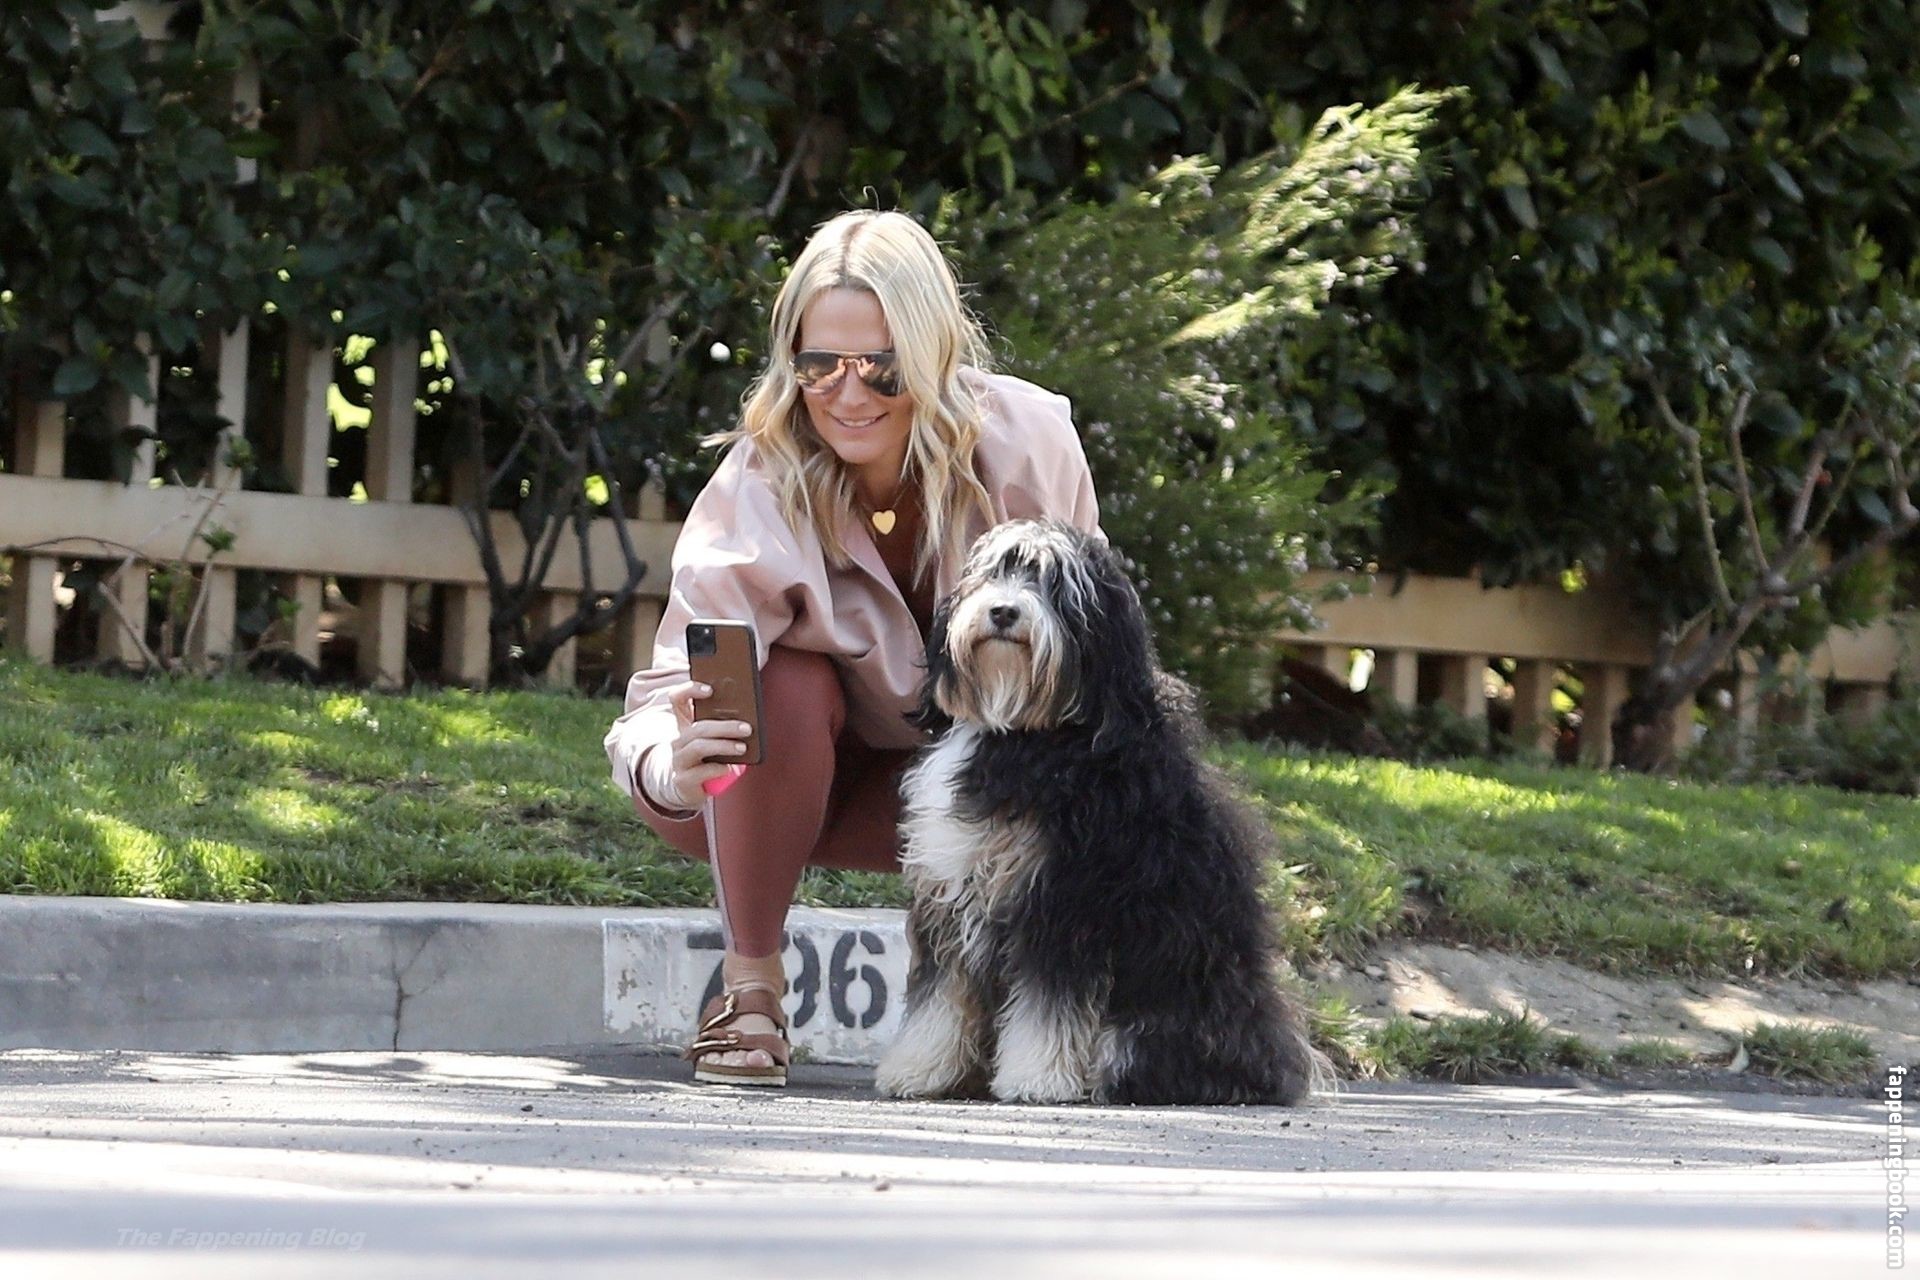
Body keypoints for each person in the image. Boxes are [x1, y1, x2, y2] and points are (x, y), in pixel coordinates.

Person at [602, 209, 1103, 1086]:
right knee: (778, 681)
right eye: (819, 366)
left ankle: (1025, 999)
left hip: (994, 782)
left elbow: (1091, 650)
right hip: (793, 787)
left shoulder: (1029, 441)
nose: (848, 393)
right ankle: (749, 997)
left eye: (881, 367)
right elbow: (669, 687)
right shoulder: (758, 483)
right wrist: (666, 767)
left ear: (933, 353)